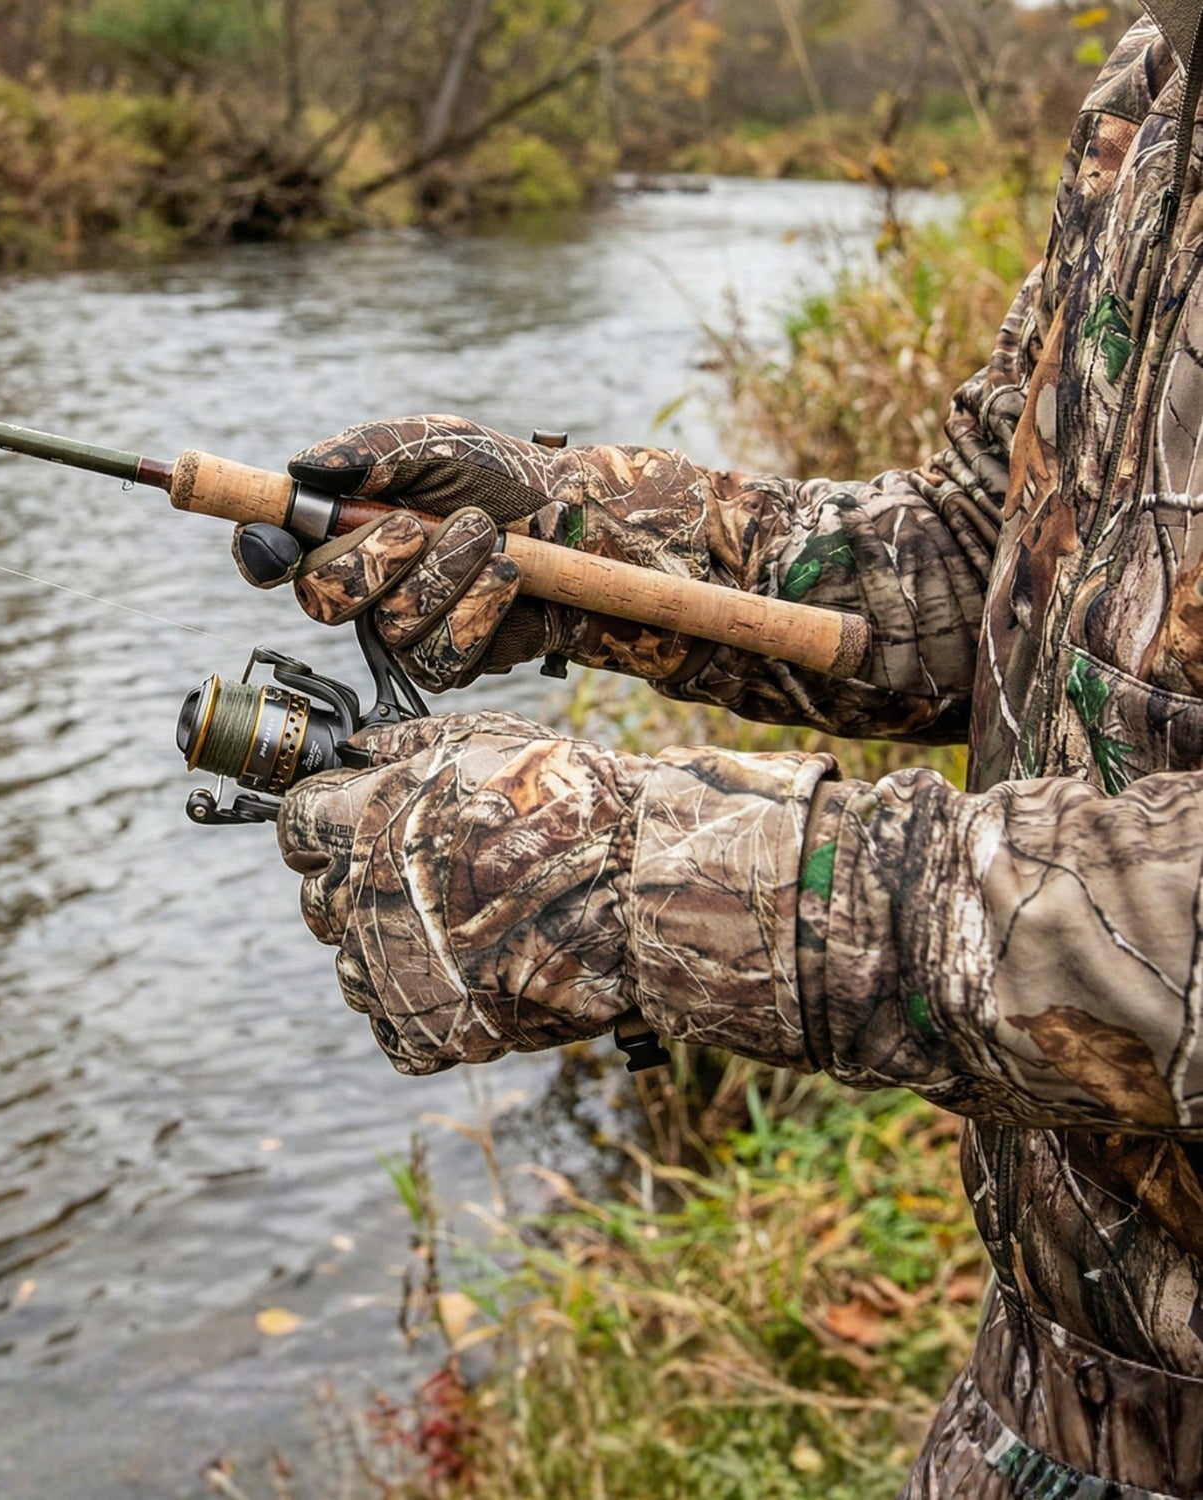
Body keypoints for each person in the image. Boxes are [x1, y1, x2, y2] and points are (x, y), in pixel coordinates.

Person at [234, 2, 1203, 1493]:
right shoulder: (1154, 84)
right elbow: (973, 554)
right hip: (1042, 1385)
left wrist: (633, 886)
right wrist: (566, 534)